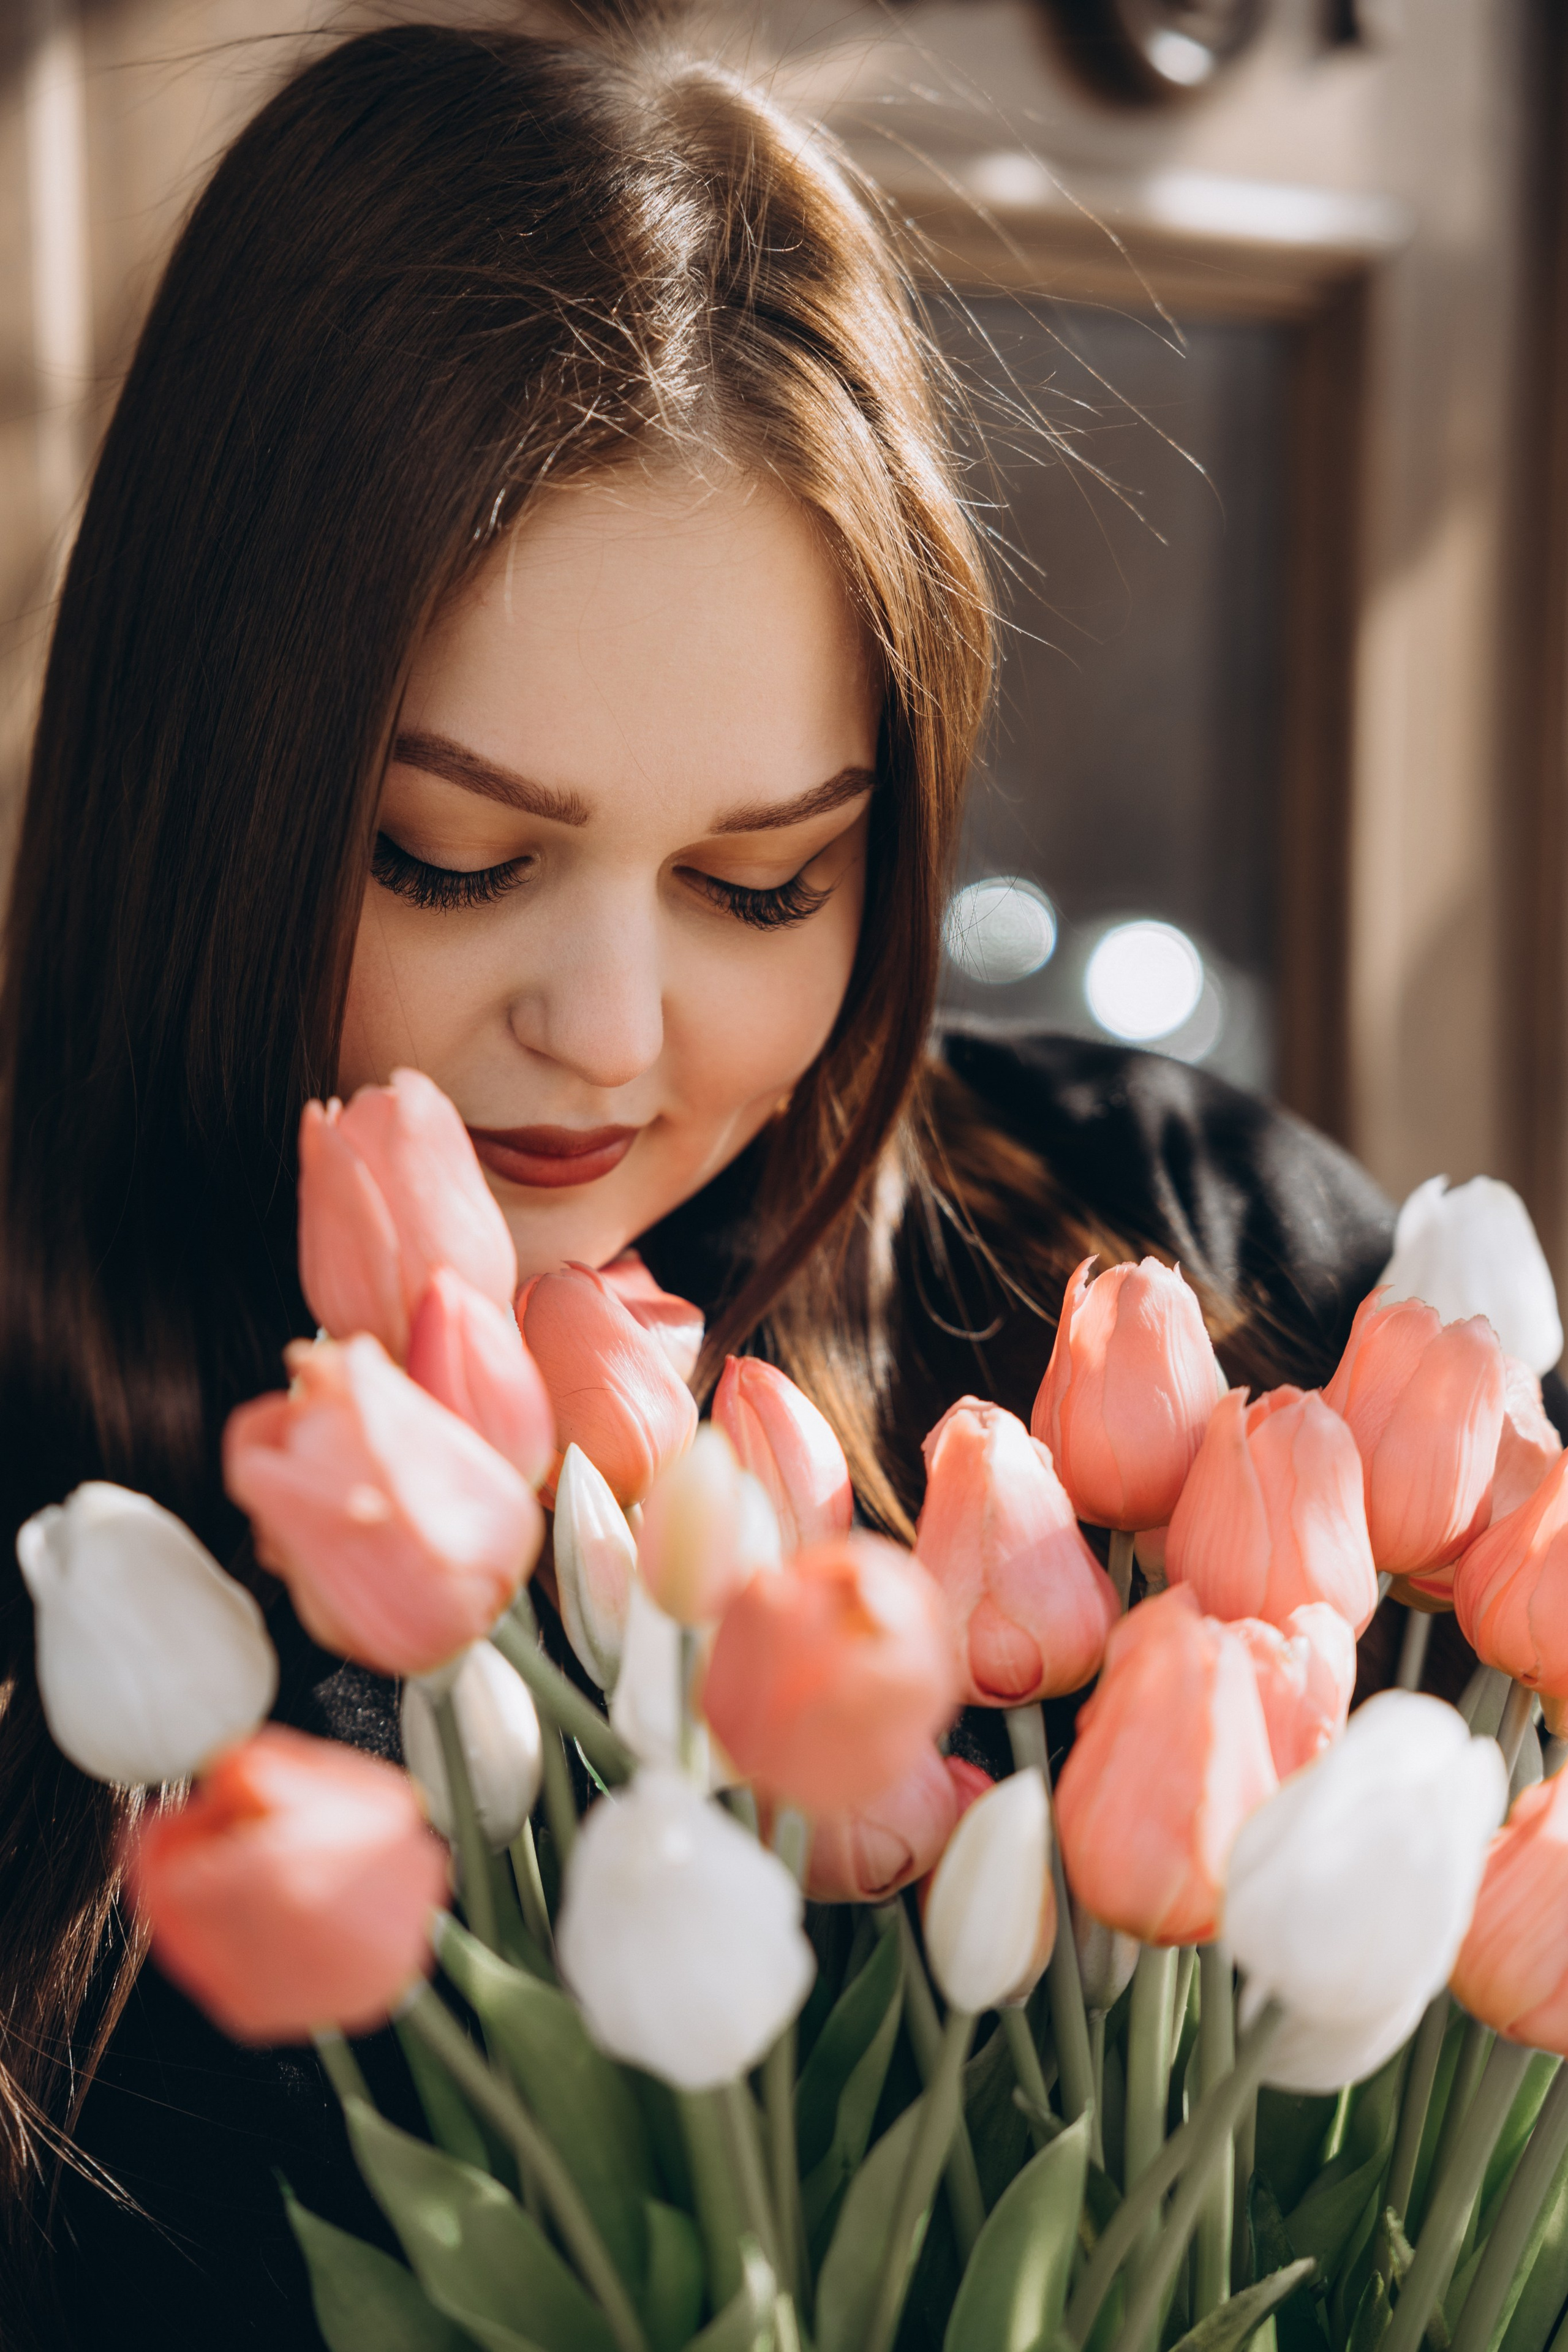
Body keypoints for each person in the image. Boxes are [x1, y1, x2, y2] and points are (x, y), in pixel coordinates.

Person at [0, 17, 1436, 2347]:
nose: (613, 1033)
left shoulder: (1177, 1280)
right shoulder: (69, 1551)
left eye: (763, 885)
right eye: (450, 858)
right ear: (209, 786)